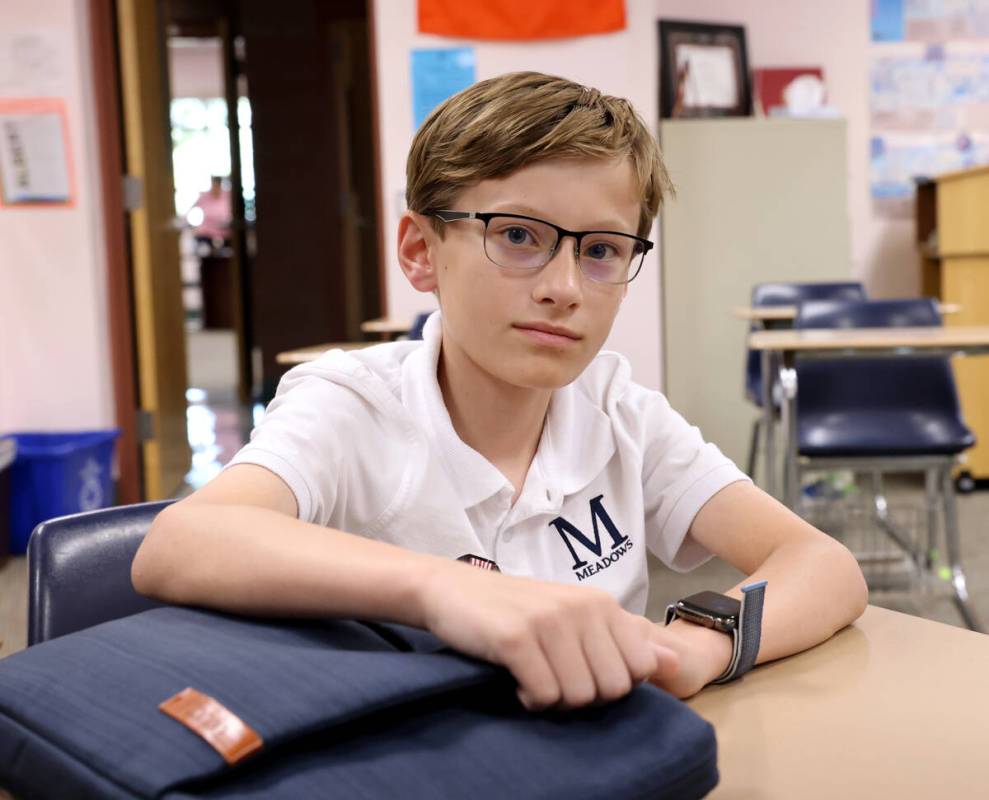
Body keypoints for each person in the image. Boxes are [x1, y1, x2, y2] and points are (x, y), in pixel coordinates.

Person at [133, 72, 867, 711]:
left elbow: (822, 566)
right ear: (421, 251)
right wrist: (445, 590)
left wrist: (697, 647)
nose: (563, 289)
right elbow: (181, 544)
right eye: (517, 236)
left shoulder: (617, 412)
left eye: (602, 250)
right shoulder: (351, 404)